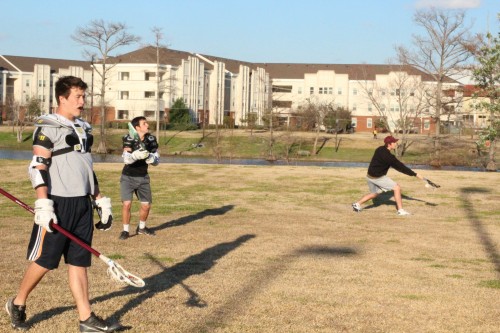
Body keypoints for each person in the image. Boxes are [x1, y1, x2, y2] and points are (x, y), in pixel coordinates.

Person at [6, 76, 120, 332]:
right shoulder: (48, 127)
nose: (82, 102)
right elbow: (37, 167)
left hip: (82, 204)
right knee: (45, 261)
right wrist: (43, 203)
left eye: (83, 96)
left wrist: (99, 199)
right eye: (77, 97)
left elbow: (86, 167)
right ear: (62, 98)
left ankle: (86, 319)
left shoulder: (84, 128)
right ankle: (17, 302)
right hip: (57, 204)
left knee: (79, 261)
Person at [351, 135, 424, 216]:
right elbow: (401, 167)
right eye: (394, 142)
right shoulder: (389, 157)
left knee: (374, 194)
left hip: (369, 176)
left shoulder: (379, 149)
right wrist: (415, 174)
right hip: (377, 178)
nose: (396, 143)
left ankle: (357, 204)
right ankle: (400, 210)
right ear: (389, 144)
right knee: (397, 188)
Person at [119, 116, 159, 240]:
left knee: (146, 205)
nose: (147, 125)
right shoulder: (128, 138)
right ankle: (125, 230)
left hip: (143, 177)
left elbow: (156, 159)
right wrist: (135, 156)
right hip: (128, 177)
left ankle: (141, 227)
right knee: (127, 204)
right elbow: (126, 159)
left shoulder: (151, 139)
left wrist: (152, 158)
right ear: (137, 127)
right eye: (144, 123)